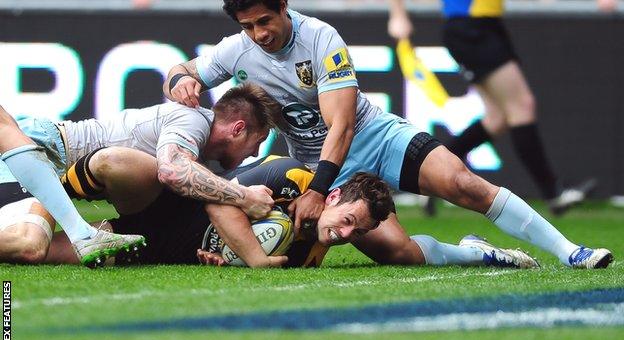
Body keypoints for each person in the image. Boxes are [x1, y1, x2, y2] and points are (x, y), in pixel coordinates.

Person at [164, 0, 612, 268]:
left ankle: (571, 251)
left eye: (265, 21)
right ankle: (476, 252)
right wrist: (180, 80)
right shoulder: (235, 50)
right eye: (247, 26)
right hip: (322, 168)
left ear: (283, 5)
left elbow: (342, 124)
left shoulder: (322, 39)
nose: (258, 34)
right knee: (400, 253)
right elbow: (182, 70)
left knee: (463, 184)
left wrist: (318, 189)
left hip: (375, 139)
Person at [45, 155, 539, 269]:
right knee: (117, 163)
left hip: (163, 249)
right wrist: (251, 259)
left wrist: (228, 262)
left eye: (355, 231)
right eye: (346, 220)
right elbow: (219, 199)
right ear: (333, 196)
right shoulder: (288, 178)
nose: (346, 234)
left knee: (402, 254)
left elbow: (237, 253)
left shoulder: (319, 244)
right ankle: (40, 191)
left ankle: (475, 252)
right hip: (160, 211)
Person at [0, 83, 281, 267]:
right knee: (30, 245)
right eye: (258, 140)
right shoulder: (193, 120)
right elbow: (173, 172)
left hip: (63, 167)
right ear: (238, 128)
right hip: (44, 152)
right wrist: (244, 196)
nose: (256, 153)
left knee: (41, 249)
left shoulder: (209, 162)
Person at [387, 0, 616, 215]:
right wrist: (398, 15)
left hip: (482, 25)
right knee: (522, 106)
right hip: (471, 27)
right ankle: (553, 193)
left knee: (497, 118)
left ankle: (432, 174)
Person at [0, 106, 144, 267]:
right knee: (28, 243)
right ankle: (83, 235)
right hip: (26, 148)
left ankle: (83, 234)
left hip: (27, 144)